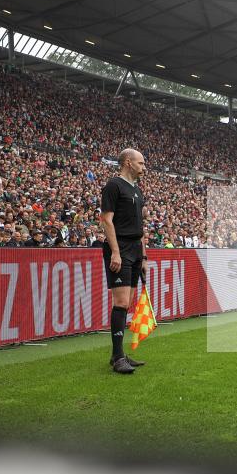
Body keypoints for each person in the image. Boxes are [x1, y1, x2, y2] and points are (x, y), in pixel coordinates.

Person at [100, 148, 149, 374]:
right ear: (128, 162)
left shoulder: (137, 190)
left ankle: (117, 354)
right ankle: (118, 357)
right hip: (120, 247)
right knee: (120, 302)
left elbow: (141, 228)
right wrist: (115, 252)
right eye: (140, 163)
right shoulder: (114, 186)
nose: (143, 167)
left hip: (135, 249)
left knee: (127, 302)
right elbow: (106, 220)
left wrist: (144, 256)